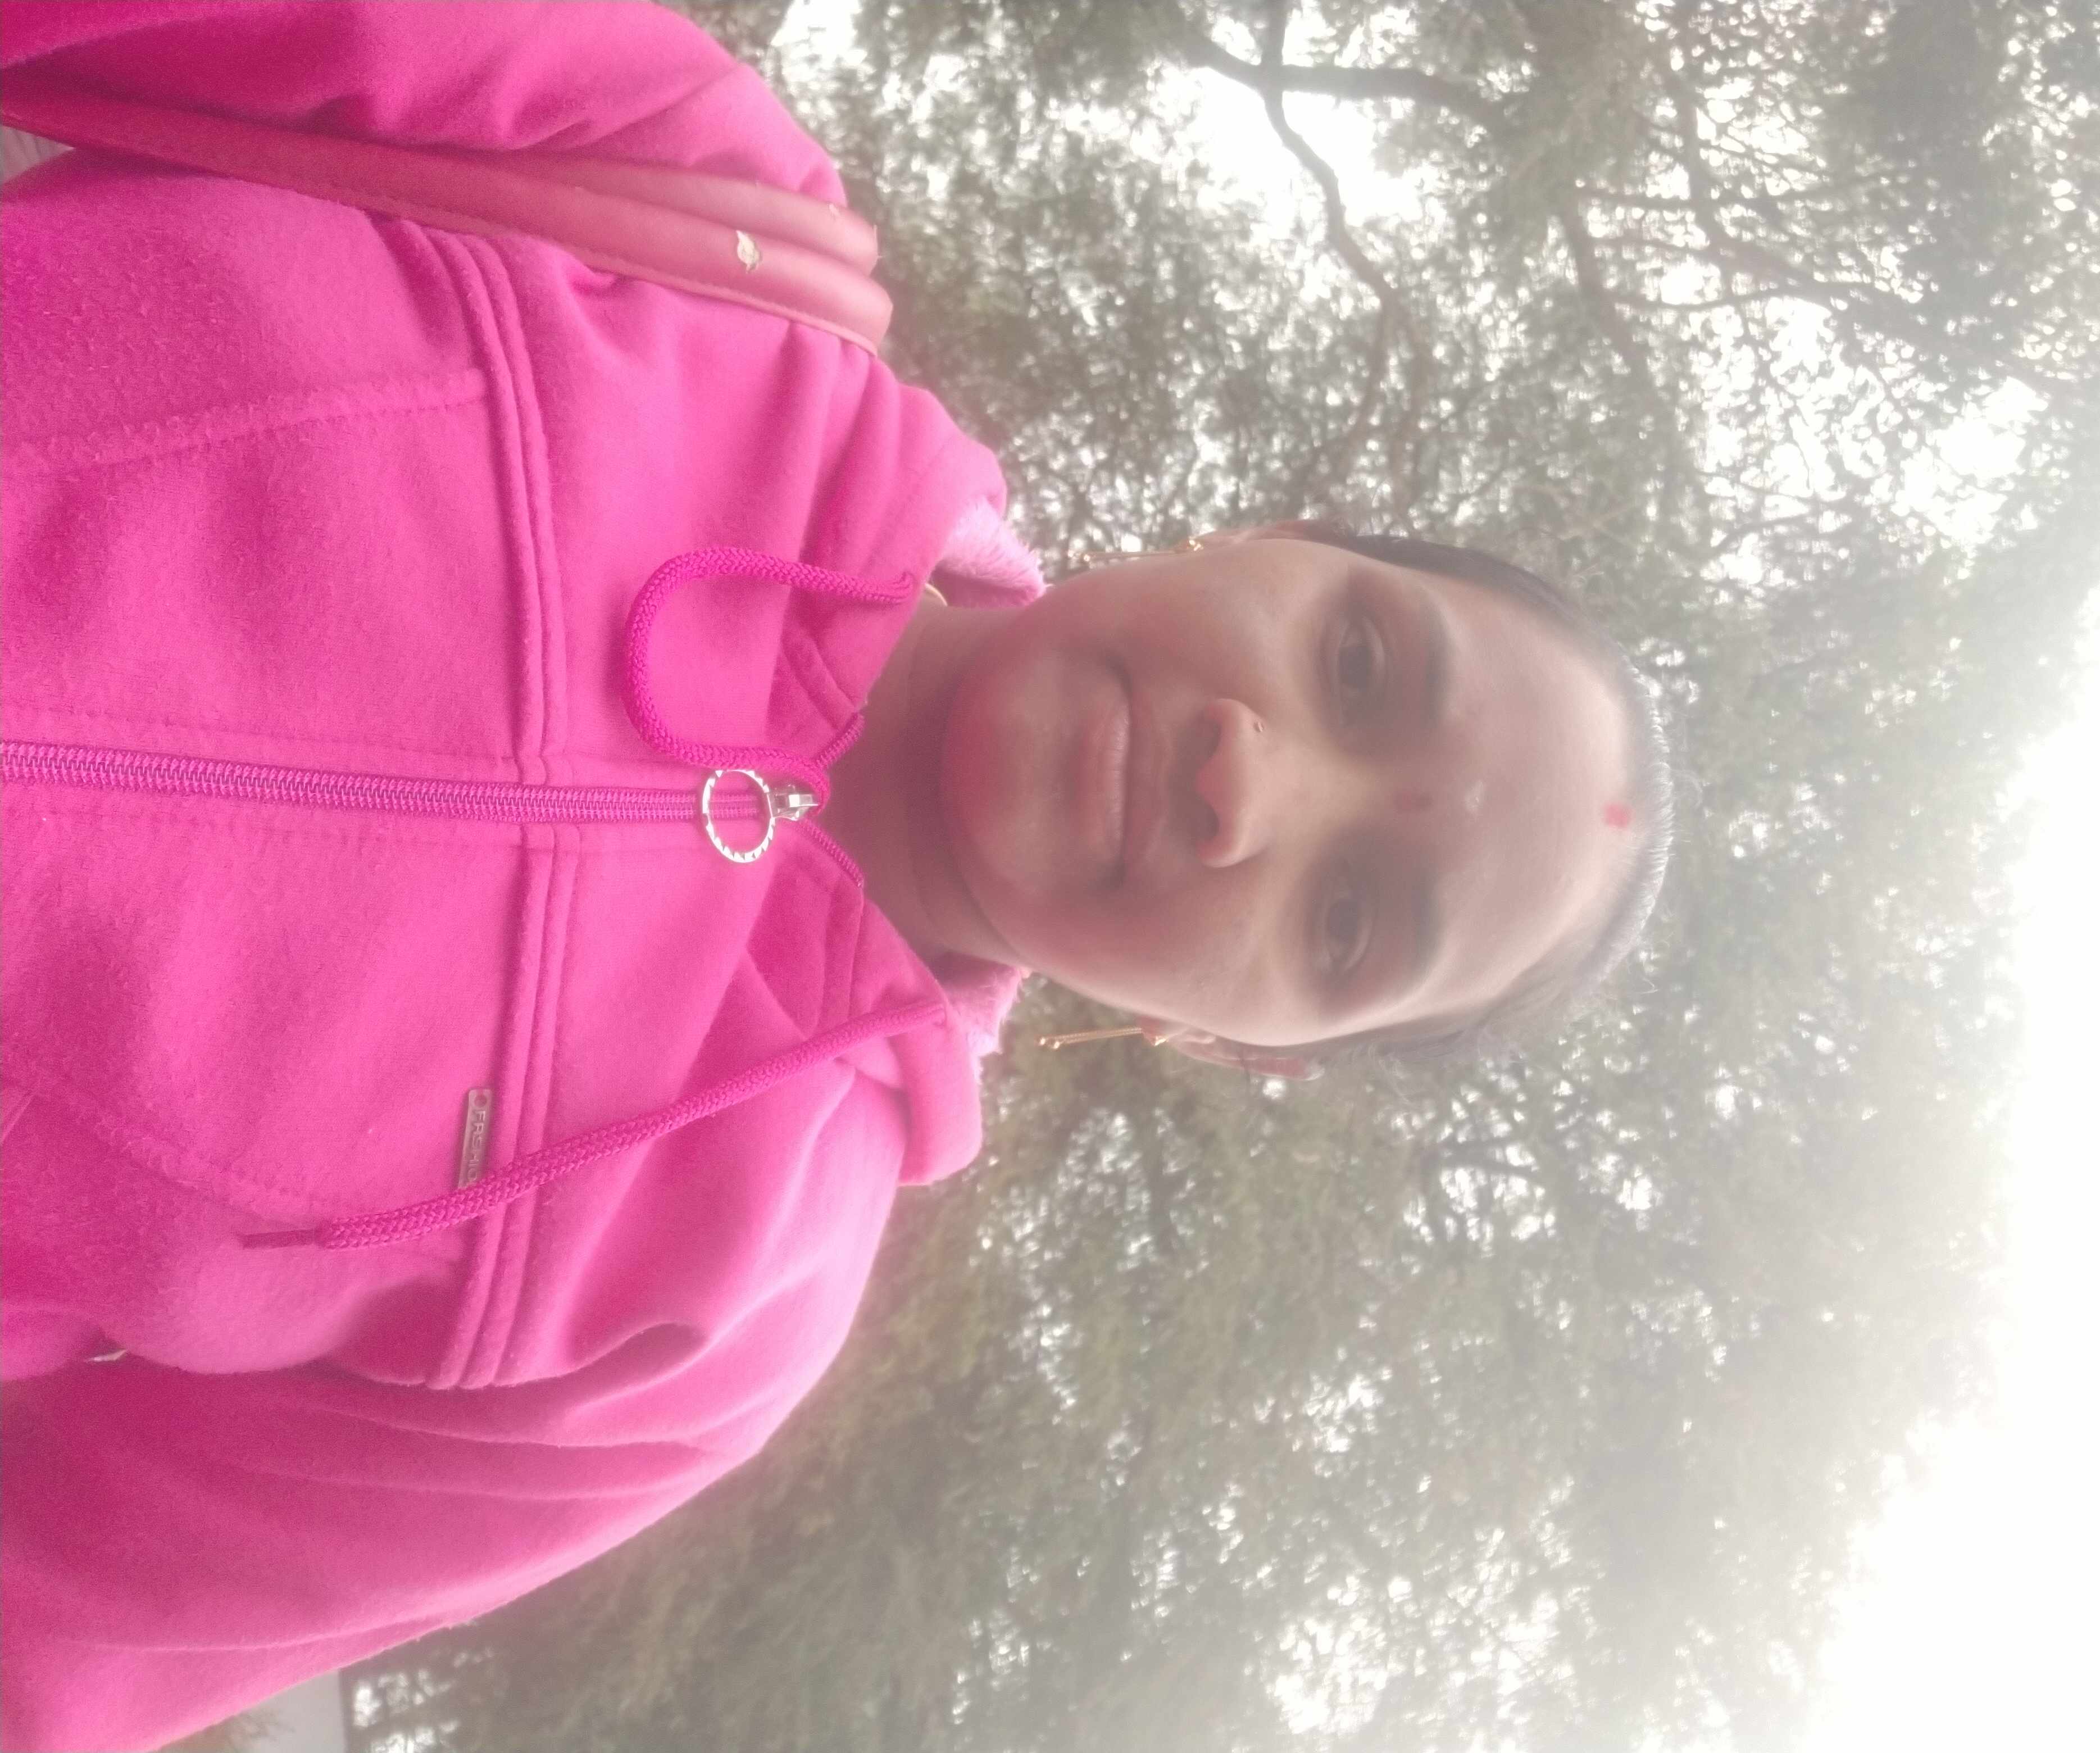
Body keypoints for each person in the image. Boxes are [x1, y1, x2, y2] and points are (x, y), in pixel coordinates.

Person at [0, 4, 1671, 1748]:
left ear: (1242, 1045)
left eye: (1347, 917)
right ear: (1275, 540)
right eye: (1360, 665)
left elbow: (43, 1632)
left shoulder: (706, 1334)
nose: (1246, 781)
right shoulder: (690, 203)